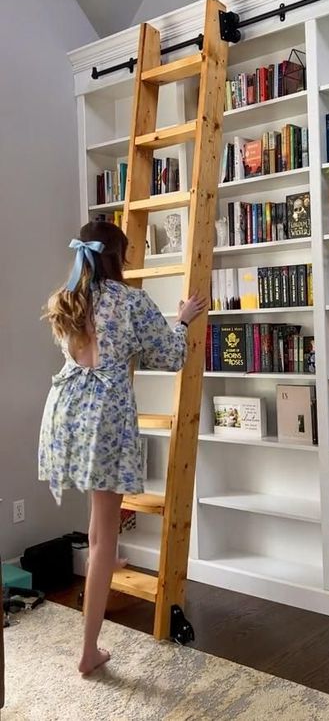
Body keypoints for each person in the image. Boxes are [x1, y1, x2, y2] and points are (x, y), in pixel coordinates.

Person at [39, 221, 206, 675]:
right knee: (102, 533)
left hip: (66, 412)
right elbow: (171, 356)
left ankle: (105, 554)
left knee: (100, 525)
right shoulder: (129, 301)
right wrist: (184, 319)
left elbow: (84, 351)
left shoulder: (66, 299)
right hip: (105, 419)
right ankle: (89, 650)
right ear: (120, 255)